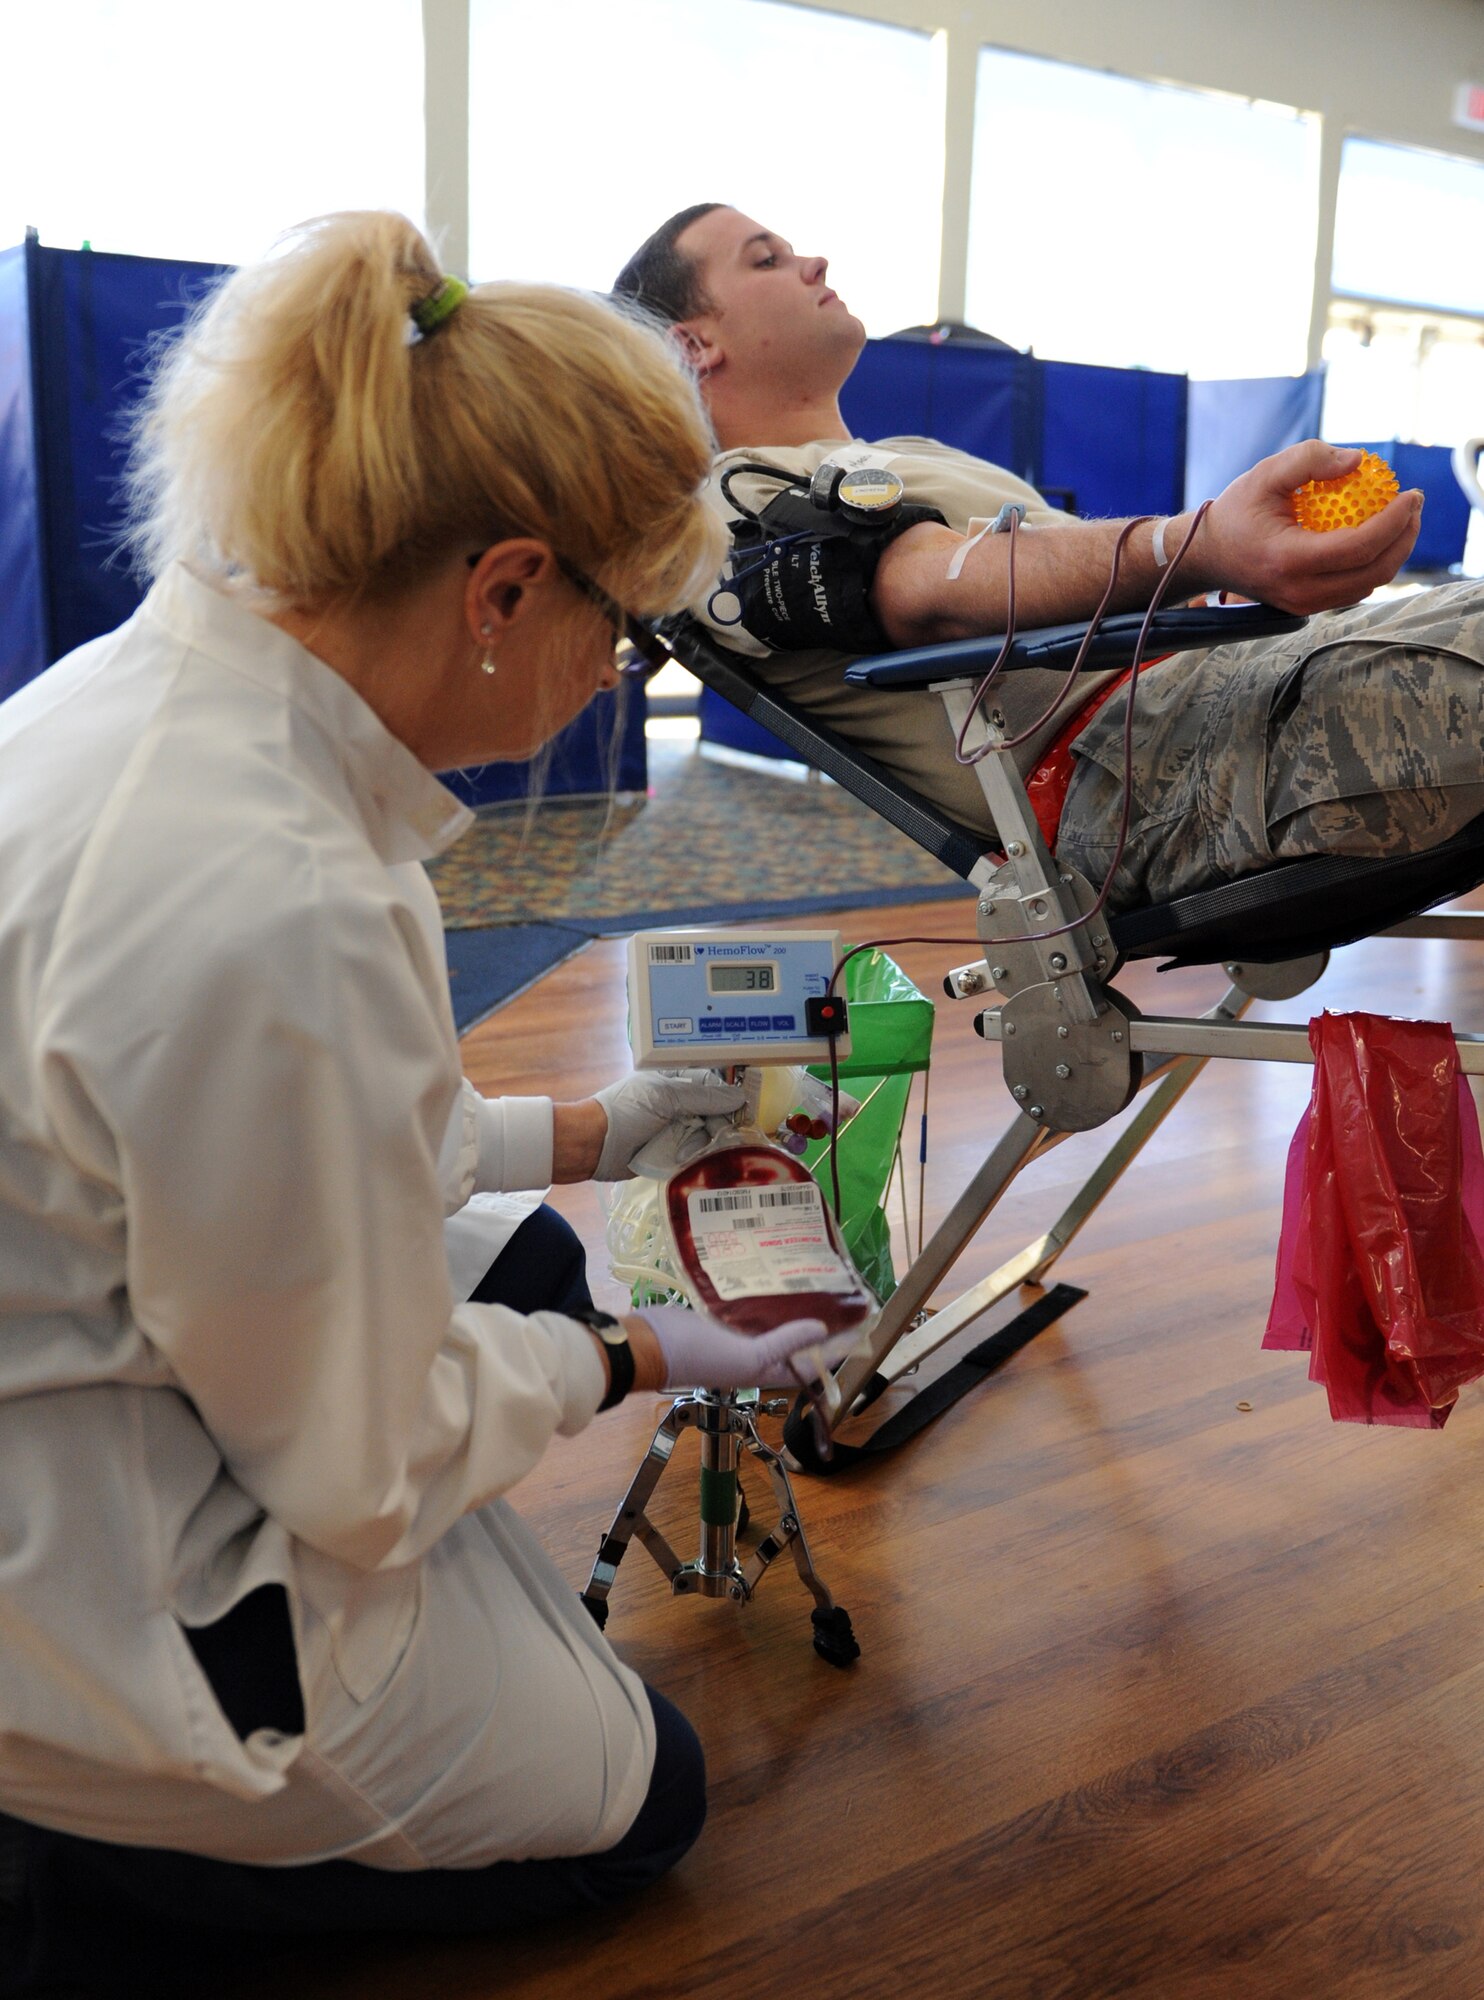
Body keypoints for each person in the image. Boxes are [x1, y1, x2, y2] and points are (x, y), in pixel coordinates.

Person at [0, 211, 854, 1997]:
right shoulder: (278, 897)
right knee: (652, 1794)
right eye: (623, 642)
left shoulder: (133, 704)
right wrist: (639, 1360)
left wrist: (600, 1133)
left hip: (75, 1391)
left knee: (526, 1261)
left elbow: (256, 1151)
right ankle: (86, 1877)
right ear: (504, 588)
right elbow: (358, 1465)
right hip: (89, 1623)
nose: (603, 686)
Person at [614, 205, 1484, 911]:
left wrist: (1207, 567)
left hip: (1215, 700)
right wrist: (1201, 545)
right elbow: (927, 588)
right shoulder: (733, 505)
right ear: (694, 345)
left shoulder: (900, 456)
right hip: (1144, 770)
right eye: (766, 260)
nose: (816, 265)